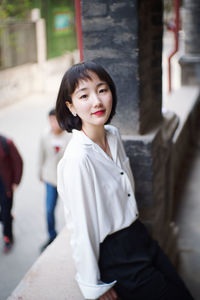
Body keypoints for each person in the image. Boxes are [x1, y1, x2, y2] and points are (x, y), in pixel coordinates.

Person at [55, 61, 194, 300]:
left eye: (102, 90)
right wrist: (93, 285)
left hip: (139, 236)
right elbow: (81, 227)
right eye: (84, 95)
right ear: (71, 106)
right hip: (116, 255)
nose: (97, 101)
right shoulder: (78, 160)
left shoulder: (113, 135)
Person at [38, 108, 71, 252]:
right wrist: (39, 173)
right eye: (51, 120)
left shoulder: (70, 137)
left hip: (67, 181)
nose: (54, 123)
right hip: (50, 179)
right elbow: (41, 155)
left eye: (56, 120)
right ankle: (51, 236)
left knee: (71, 209)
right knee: (49, 210)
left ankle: (72, 235)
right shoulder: (45, 136)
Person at [0, 135, 23, 253]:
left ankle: (8, 238)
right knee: (4, 215)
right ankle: (7, 217)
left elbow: (18, 162)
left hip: (5, 187)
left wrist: (16, 182)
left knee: (5, 213)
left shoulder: (6, 143)